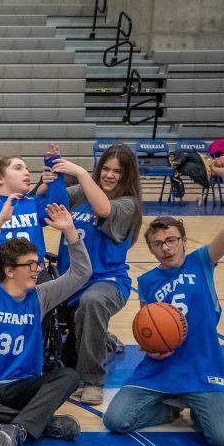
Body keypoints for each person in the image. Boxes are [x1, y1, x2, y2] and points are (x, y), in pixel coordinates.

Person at [103, 157, 224, 446]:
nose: (166, 248)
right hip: (159, 371)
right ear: (151, 248)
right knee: (115, 420)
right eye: (158, 243)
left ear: (183, 241)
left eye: (171, 240)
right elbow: (148, 327)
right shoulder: (147, 282)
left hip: (202, 369)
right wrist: (151, 345)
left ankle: (196, 407)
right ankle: (169, 408)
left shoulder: (202, 261)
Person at [0, 197, 92, 446]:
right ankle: (40, 424)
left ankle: (17, 428)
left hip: (23, 386)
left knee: (69, 376)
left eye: (37, 263)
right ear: (9, 270)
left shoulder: (40, 295)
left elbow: (81, 274)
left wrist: (71, 232)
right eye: (30, 265)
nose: (37, 269)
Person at [39, 144, 143, 406]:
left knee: (92, 302)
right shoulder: (81, 194)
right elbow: (54, 203)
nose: (109, 175)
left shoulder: (128, 204)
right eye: (105, 169)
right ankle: (101, 339)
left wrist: (81, 173)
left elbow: (104, 209)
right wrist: (48, 181)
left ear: (126, 175)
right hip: (71, 280)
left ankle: (94, 381)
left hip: (107, 282)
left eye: (116, 171)